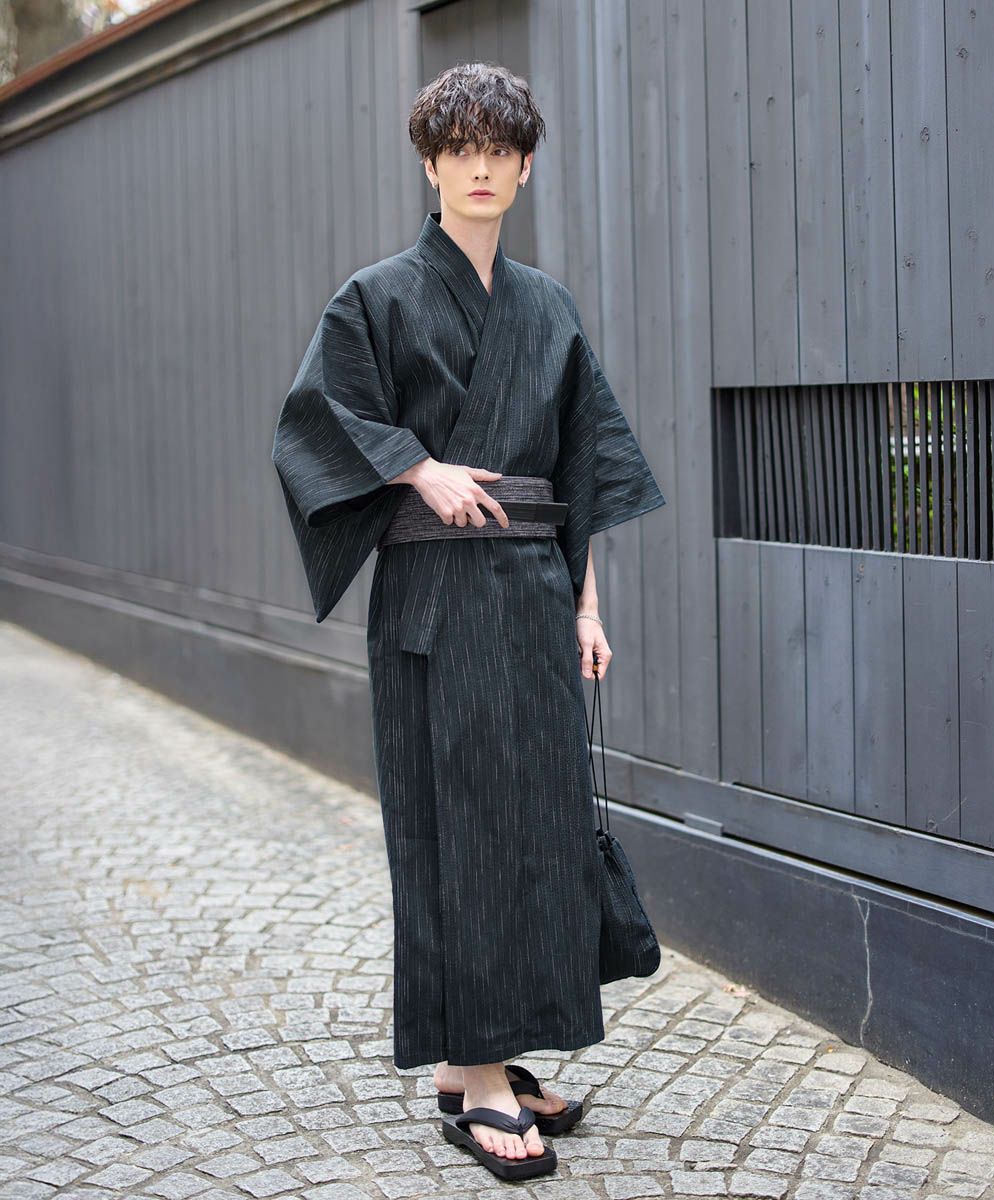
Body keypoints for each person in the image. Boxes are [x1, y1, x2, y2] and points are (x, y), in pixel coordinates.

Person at [271, 61, 666, 1181]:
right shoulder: (376, 298)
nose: (480, 167)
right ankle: (481, 1076)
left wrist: (587, 604)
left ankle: (474, 1059)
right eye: (460, 149)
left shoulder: (549, 307)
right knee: (459, 829)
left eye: (500, 149)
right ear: (431, 165)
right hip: (435, 608)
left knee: (537, 824)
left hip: (533, 597)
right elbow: (318, 419)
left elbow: (583, 467)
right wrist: (416, 467)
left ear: (525, 166)